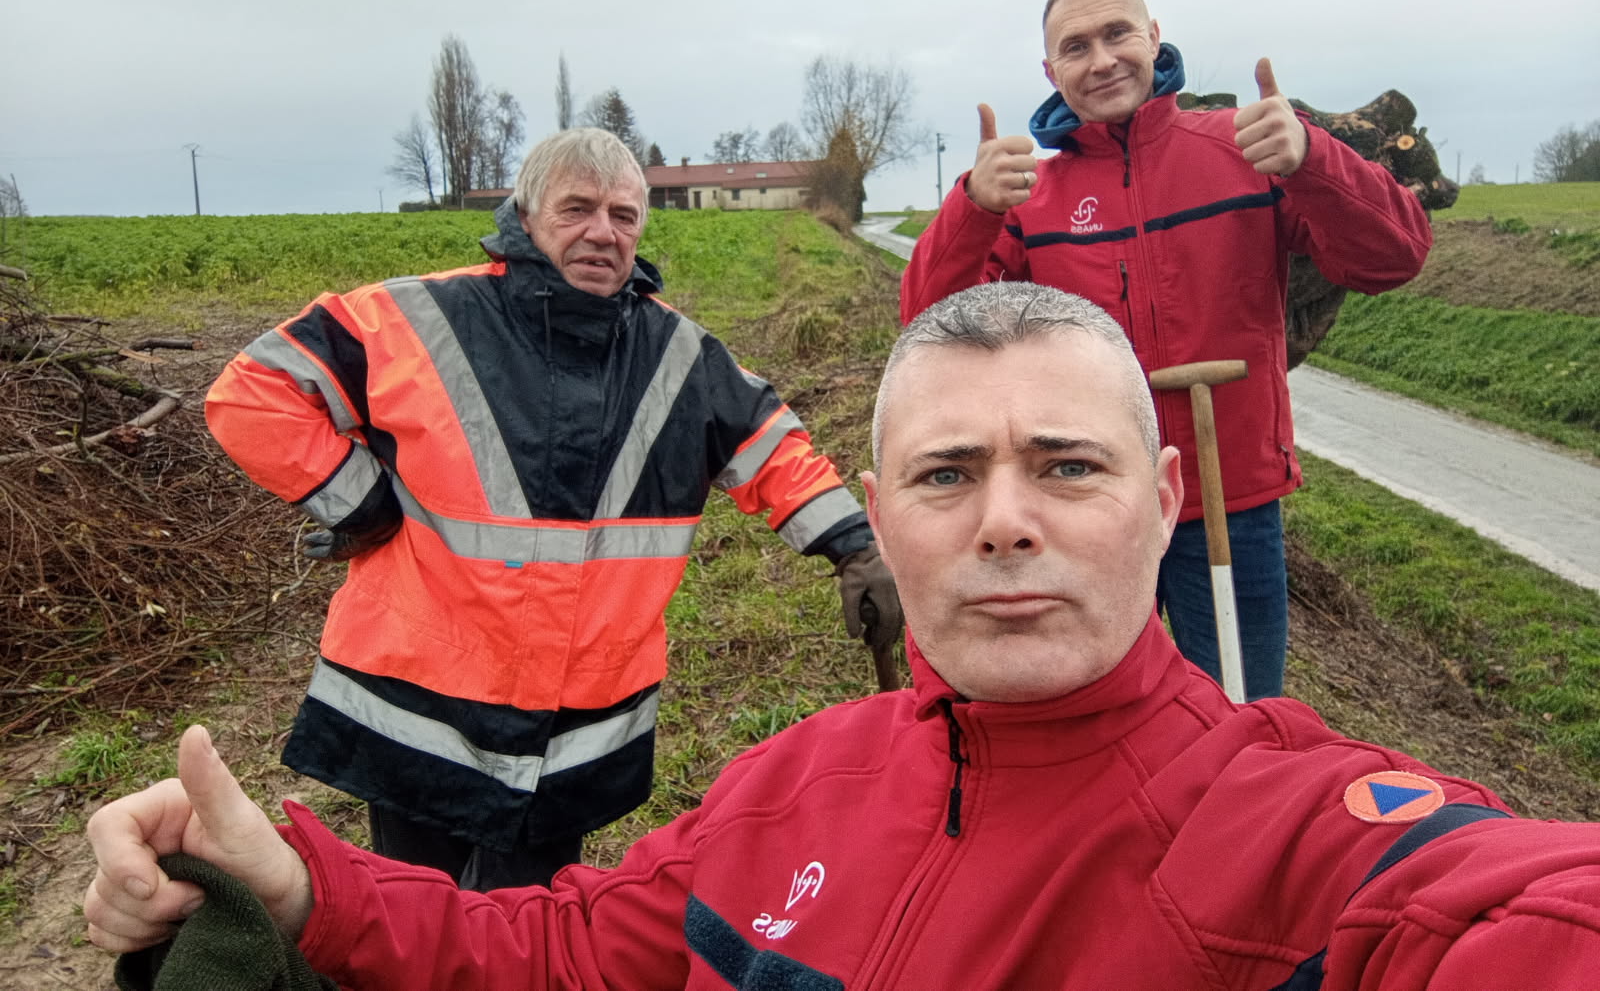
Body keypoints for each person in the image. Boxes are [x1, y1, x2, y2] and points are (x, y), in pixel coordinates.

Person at [86, 283, 1600, 990]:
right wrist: (300, 884)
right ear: (894, 517)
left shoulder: (1288, 832)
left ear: (1164, 500)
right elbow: (559, 946)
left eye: (1066, 465)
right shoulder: (791, 784)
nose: (1003, 521)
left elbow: (1511, 913)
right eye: (946, 476)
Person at [201, 127, 900, 891]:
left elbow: (775, 453)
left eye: (623, 215)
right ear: (527, 216)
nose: (603, 232)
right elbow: (252, 393)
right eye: (577, 209)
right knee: (408, 915)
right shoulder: (417, 319)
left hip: (576, 722)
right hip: (424, 710)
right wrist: (361, 501)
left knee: (530, 927)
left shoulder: (681, 358)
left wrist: (855, 544)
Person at [901, 0, 1434, 702]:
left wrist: (1314, 160)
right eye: (1076, 47)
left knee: (1239, 709)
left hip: (1230, 498)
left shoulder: (1244, 153)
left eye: (1118, 34)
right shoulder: (1032, 198)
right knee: (1095, 703)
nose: (1102, 60)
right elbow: (930, 327)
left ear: (1154, 38)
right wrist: (973, 208)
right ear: (1051, 70)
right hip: (1086, 504)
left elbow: (1394, 256)